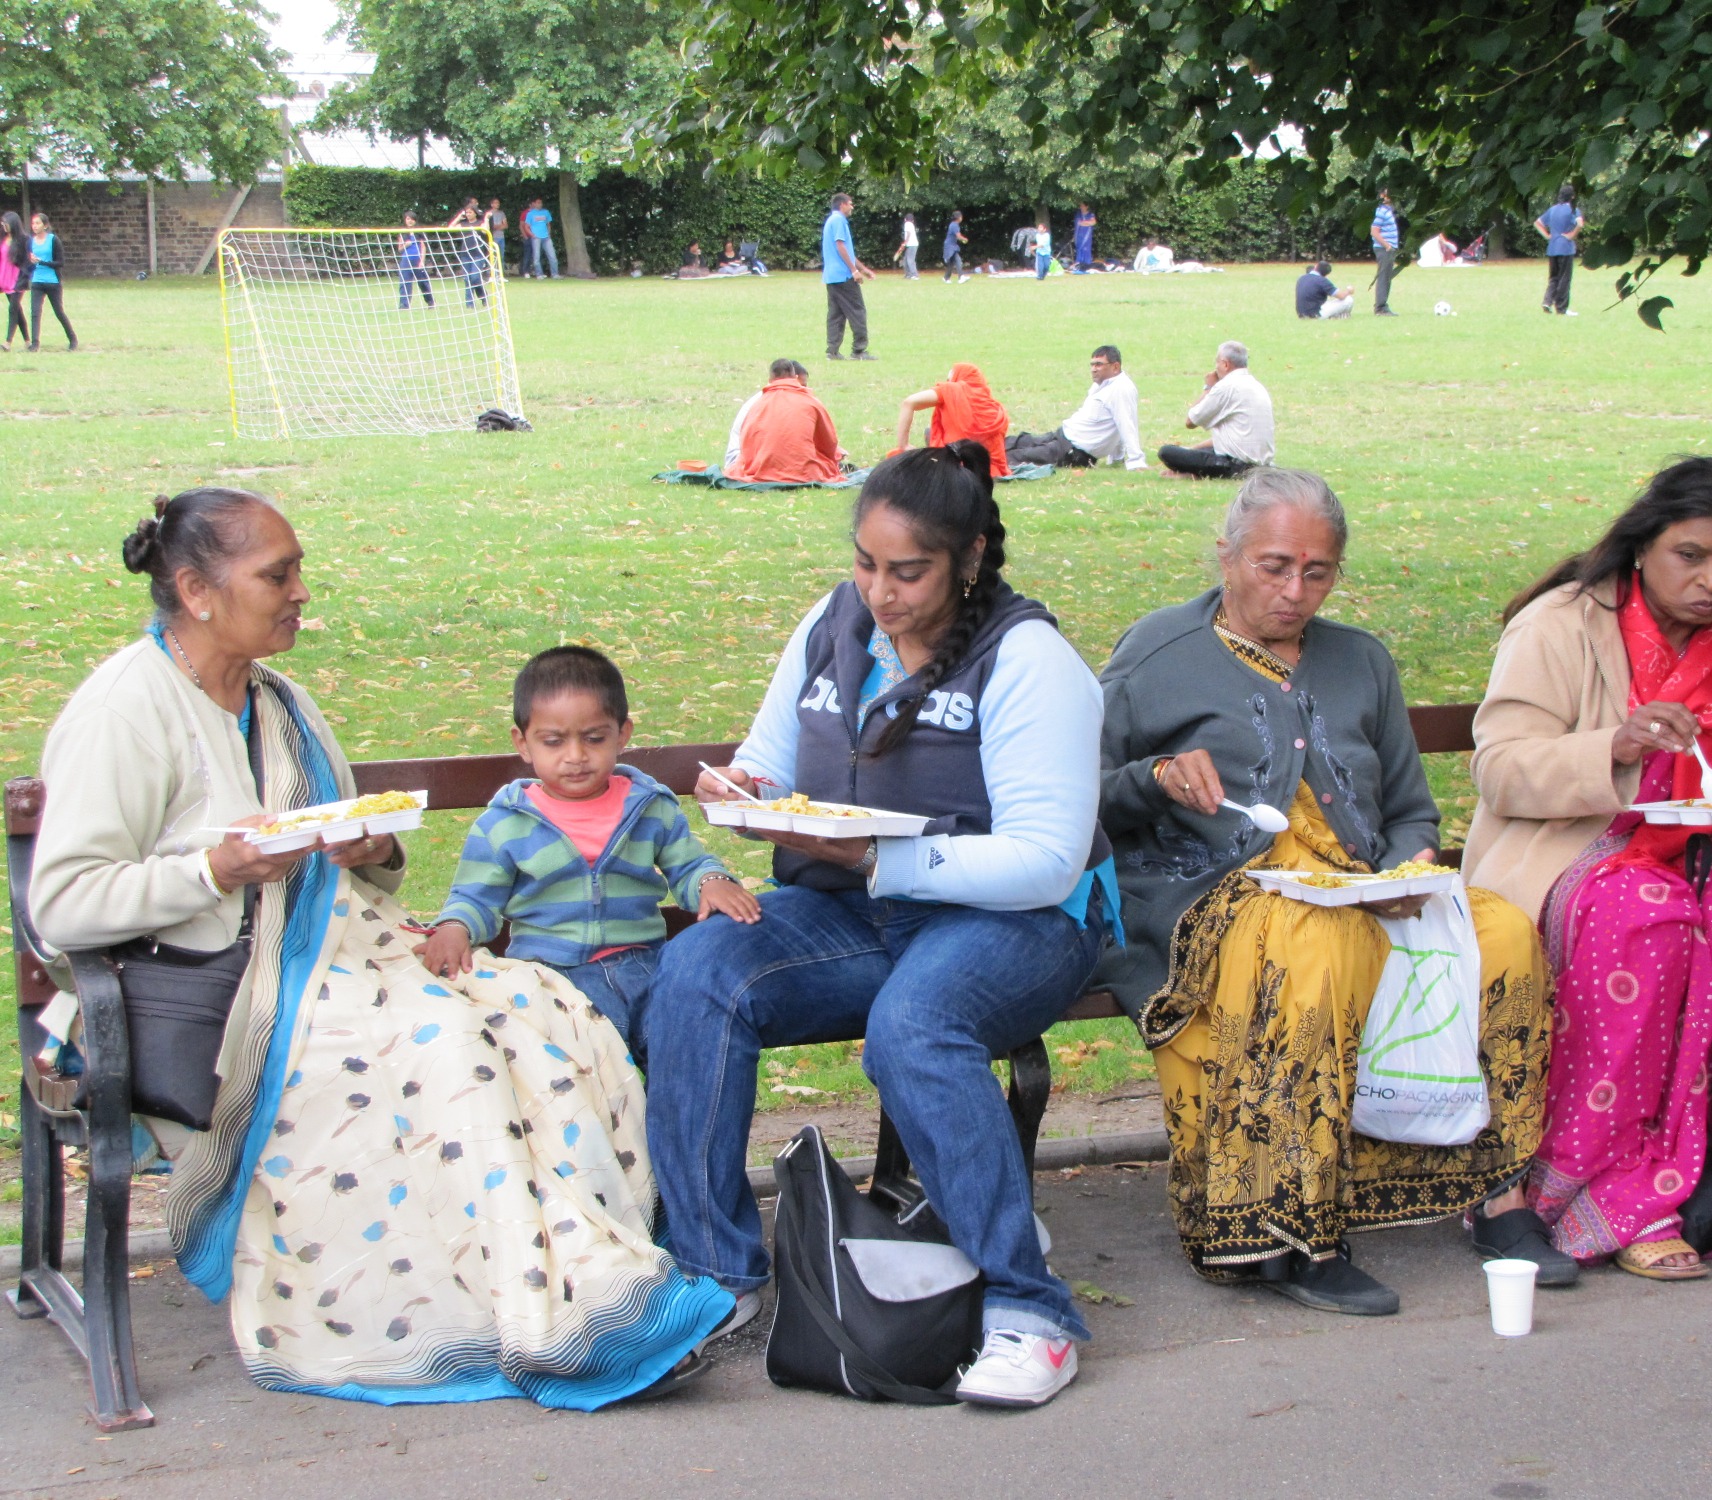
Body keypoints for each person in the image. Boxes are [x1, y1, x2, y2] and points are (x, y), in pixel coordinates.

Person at [29, 487, 735, 1406]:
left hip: (339, 951)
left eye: (298, 572)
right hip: (224, 997)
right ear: (198, 590)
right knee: (448, 1050)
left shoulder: (281, 700)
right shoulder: (125, 708)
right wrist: (215, 869)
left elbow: (358, 871)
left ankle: (604, 1284)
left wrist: (373, 849)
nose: (301, 593)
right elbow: (62, 907)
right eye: (278, 575)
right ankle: (539, 1317)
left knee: (540, 1012)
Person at [637, 444, 1120, 1408]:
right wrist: (745, 790)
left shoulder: (1028, 659)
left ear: (970, 556)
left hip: (1020, 920)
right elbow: (771, 758)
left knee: (916, 1024)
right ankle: (714, 1275)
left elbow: (1045, 858)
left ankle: (1032, 1310)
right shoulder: (834, 621)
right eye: (866, 563)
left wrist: (877, 860)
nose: (880, 592)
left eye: (909, 571)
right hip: (858, 906)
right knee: (697, 972)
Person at [1096, 468, 1568, 1314]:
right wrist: (1156, 776)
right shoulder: (1158, 653)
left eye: (1317, 572)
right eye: (1274, 566)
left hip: (1358, 886)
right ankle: (1287, 1227)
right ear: (1227, 555)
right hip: (1206, 896)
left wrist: (1407, 872)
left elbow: (1412, 812)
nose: (1294, 590)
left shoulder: (1360, 661)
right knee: (1309, 942)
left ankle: (1498, 1197)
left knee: (1501, 934)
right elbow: (1081, 792)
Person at [1464, 457, 1712, 1280]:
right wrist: (1615, 748)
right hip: (1576, 846)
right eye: (1690, 556)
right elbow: (1502, 767)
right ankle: (1616, 1192)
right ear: (1643, 546)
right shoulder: (1562, 623)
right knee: (1644, 921)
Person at [422, 647, 760, 1059]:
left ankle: (677, 1124)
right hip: (549, 979)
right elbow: (474, 897)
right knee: (565, 1065)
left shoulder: (649, 806)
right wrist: (455, 926)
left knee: (686, 1042)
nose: (576, 756)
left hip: (644, 967)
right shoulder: (504, 825)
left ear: (622, 734)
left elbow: (688, 864)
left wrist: (711, 881)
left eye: (594, 738)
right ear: (523, 743)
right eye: (553, 741)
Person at [1006, 345, 1146, 470]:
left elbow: (1126, 424)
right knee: (1018, 441)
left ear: (1115, 367)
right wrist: (1116, 458)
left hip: (1073, 452)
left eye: (1099, 365)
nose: (1093, 369)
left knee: (1017, 456)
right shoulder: (1102, 384)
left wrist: (1136, 461)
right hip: (1062, 436)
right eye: (1092, 365)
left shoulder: (1121, 389)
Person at [1158, 341, 1274, 479]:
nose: (1215, 367)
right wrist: (1191, 450)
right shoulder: (1256, 385)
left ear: (1225, 364)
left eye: (1217, 362)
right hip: (1261, 464)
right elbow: (1226, 439)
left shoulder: (1226, 386)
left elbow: (1190, 421)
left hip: (1234, 466)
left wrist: (1208, 388)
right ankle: (1193, 471)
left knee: (1167, 452)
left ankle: (1195, 474)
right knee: (1196, 452)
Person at [722, 358, 847, 484]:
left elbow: (748, 443)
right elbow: (829, 443)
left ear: (770, 380)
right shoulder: (811, 402)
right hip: (805, 473)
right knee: (826, 463)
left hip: (760, 467)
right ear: (795, 378)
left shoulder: (758, 403)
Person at [894, 362, 1012, 476]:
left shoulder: (951, 390)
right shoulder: (995, 406)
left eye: (949, 378)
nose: (948, 381)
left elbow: (909, 403)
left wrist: (903, 445)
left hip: (954, 465)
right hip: (989, 468)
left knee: (929, 433)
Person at [821, 192, 876, 360]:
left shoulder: (830, 220)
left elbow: (846, 251)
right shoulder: (839, 221)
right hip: (843, 276)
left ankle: (832, 351)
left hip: (832, 276)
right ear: (842, 204)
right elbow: (840, 246)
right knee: (857, 311)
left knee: (836, 314)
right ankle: (859, 351)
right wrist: (854, 270)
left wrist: (863, 268)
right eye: (850, 203)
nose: (852, 207)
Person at [25, 211, 79, 351]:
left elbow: (60, 262)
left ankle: (72, 339)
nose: (35, 226)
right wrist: (30, 262)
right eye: (33, 223)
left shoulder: (53, 240)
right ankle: (35, 344)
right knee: (35, 312)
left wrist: (42, 262)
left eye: (38, 223)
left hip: (53, 282)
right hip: (37, 282)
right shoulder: (31, 241)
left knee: (59, 312)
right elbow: (29, 262)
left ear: (45, 225)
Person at [1535, 185, 1583, 315]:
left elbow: (1538, 222)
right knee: (1564, 278)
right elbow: (1580, 224)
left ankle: (1547, 301)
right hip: (1566, 248)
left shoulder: (1553, 209)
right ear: (1572, 197)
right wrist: (1572, 235)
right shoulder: (1574, 210)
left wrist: (1547, 235)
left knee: (1553, 277)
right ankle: (1562, 308)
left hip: (1552, 247)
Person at [447, 197, 489, 307]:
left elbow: (486, 230)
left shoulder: (480, 223)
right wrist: (458, 217)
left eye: (470, 212)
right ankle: (469, 304)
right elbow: (450, 228)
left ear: (475, 213)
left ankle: (483, 296)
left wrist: (487, 219)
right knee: (467, 279)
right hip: (465, 254)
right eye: (467, 212)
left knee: (475, 277)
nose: (468, 214)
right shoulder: (463, 224)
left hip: (478, 254)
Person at [394, 211, 434, 310]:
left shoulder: (419, 232)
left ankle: (430, 302)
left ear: (415, 220)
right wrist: (405, 245)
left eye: (412, 219)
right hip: (406, 260)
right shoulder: (402, 233)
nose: (410, 221)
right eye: (408, 219)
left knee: (423, 282)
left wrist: (422, 261)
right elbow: (399, 249)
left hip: (417, 260)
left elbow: (423, 247)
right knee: (405, 283)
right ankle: (404, 306)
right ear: (405, 220)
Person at [1370, 189, 1400, 315]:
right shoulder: (1381, 211)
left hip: (1388, 249)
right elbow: (1374, 231)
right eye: (1387, 193)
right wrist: (1387, 246)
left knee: (1387, 277)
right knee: (1384, 277)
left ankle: (1382, 306)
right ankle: (1380, 308)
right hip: (1384, 249)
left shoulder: (1389, 211)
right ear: (1382, 195)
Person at [1, 210, 28, 350]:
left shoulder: (23, 240)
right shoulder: (3, 238)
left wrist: (23, 277)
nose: (3, 225)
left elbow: (26, 261)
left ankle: (8, 342)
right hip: (5, 279)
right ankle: (28, 340)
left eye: (5, 223)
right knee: (17, 310)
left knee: (12, 309)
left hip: (17, 280)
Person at [523, 197, 558, 279]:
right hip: (536, 238)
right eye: (538, 203)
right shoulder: (530, 214)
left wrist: (549, 233)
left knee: (552, 256)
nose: (540, 204)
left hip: (546, 237)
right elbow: (526, 226)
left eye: (541, 203)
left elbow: (548, 224)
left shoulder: (546, 212)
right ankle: (539, 274)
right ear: (534, 204)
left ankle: (555, 274)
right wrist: (532, 235)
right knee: (536, 257)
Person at [484, 198, 508, 277]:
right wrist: (500, 226)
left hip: (501, 237)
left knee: (501, 256)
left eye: (498, 203)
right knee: (491, 255)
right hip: (492, 237)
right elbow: (491, 226)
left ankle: (500, 274)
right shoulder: (489, 213)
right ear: (492, 204)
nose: (497, 204)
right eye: (495, 203)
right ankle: (490, 273)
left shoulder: (502, 213)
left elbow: (506, 225)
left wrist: (497, 226)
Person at [942, 211, 967, 283]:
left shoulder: (953, 224)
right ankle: (961, 277)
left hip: (951, 245)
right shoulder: (955, 225)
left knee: (951, 263)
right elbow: (958, 236)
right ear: (958, 217)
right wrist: (964, 239)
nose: (962, 218)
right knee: (958, 260)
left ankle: (946, 278)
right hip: (950, 246)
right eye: (961, 216)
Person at [1073, 203, 1096, 268]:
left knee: (1086, 249)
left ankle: (1087, 265)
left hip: (1087, 237)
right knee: (1079, 249)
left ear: (1086, 206)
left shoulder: (1091, 214)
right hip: (1079, 236)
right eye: (1080, 206)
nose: (1081, 207)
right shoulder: (1078, 215)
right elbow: (1078, 223)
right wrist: (1087, 223)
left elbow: (1093, 222)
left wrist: (1084, 223)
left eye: (1082, 206)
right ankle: (1078, 265)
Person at [900, 213, 920, 278]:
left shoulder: (907, 224)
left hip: (912, 244)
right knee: (905, 260)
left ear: (905, 219)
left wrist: (905, 243)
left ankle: (914, 275)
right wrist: (905, 243)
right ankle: (908, 274)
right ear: (912, 220)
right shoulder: (911, 224)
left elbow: (908, 234)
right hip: (911, 244)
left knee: (910, 260)